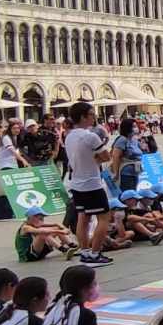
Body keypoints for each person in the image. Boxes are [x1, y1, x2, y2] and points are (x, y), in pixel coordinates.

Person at [63, 102, 113, 266]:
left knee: (83, 218)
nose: (94, 117)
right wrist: (96, 158)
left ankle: (84, 252)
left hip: (76, 183)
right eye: (91, 114)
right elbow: (106, 157)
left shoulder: (69, 135)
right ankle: (95, 253)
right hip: (92, 183)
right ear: (83, 116)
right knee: (104, 217)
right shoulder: (90, 136)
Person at [110, 118, 144, 194]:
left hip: (135, 171)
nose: (136, 128)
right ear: (128, 128)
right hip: (126, 173)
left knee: (134, 193)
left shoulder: (134, 139)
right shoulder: (122, 139)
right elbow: (115, 156)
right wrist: (116, 173)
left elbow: (142, 151)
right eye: (134, 126)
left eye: (136, 126)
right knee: (128, 195)